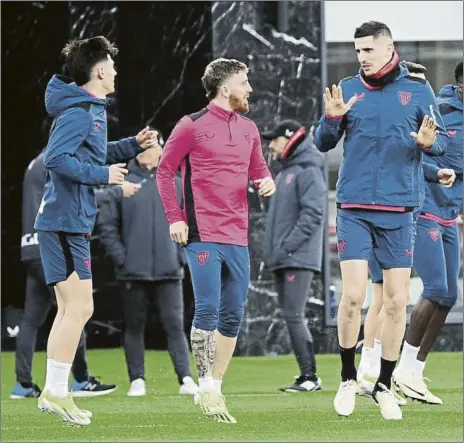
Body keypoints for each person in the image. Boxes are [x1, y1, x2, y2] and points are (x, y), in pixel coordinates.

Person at [315, 21, 448, 420]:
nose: (361, 58)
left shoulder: (419, 91)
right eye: (357, 52)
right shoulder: (348, 89)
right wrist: (332, 119)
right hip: (354, 207)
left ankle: (384, 385)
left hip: (399, 210)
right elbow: (322, 142)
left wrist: (429, 144)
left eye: (367, 51)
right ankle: (346, 378)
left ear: (388, 47)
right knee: (353, 296)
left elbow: (440, 142)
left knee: (395, 302)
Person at [34, 36, 158, 426]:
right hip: (65, 223)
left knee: (70, 309)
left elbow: (92, 151)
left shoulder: (86, 109)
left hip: (65, 221)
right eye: (113, 66)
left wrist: (130, 147)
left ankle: (55, 391)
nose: (117, 72)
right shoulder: (81, 112)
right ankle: (56, 391)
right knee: (80, 307)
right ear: (101, 70)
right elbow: (56, 159)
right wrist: (102, 176)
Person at [156, 58, 275, 424]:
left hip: (238, 234)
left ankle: (215, 383)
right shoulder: (190, 125)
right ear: (225, 88)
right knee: (207, 308)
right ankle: (205, 386)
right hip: (202, 232)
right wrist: (176, 217)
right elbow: (164, 170)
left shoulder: (250, 129)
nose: (249, 88)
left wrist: (266, 181)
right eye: (244, 82)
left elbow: (258, 169)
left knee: (235, 312)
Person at [11, 136, 140, 400]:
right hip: (52, 241)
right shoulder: (56, 160)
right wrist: (118, 190)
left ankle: (23, 385)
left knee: (32, 319)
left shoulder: (35, 162)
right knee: (75, 309)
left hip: (30, 246)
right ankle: (79, 380)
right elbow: (77, 193)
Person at [357, 61, 456, 403]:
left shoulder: (420, 108)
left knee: (400, 295)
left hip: (425, 211)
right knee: (391, 294)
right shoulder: (426, 109)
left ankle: (387, 369)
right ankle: (378, 370)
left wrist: (438, 173)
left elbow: (420, 158)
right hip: (399, 209)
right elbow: (400, 157)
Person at [98, 136, 199, 398]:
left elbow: (192, 224)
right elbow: (107, 227)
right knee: (133, 325)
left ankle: (186, 378)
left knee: (174, 325)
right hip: (133, 270)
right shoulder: (123, 182)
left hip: (169, 270)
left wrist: (180, 257)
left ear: (162, 150)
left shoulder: (176, 184)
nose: (145, 150)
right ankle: (137, 380)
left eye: (151, 145)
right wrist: (123, 259)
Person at [393, 61, 463, 405]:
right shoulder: (441, 112)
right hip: (425, 209)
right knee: (435, 287)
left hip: (451, 214)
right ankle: (397, 369)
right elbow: (413, 158)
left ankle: (413, 373)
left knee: (449, 295)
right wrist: (440, 175)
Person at [262, 120, 326, 393]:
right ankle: (307, 376)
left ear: (289, 138)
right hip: (285, 256)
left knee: (294, 315)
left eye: (274, 140)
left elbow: (313, 214)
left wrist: (287, 246)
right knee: (292, 315)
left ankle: (310, 377)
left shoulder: (308, 171)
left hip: (297, 257)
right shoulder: (286, 172)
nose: (271, 146)